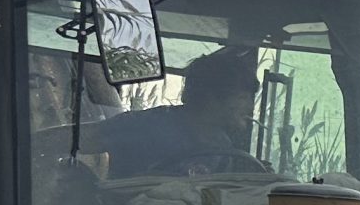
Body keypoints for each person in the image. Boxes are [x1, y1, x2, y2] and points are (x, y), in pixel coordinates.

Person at [95, 43, 265, 179]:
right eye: (243, 98)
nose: (250, 108)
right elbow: (76, 139)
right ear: (211, 98)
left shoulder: (223, 146)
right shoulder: (145, 125)